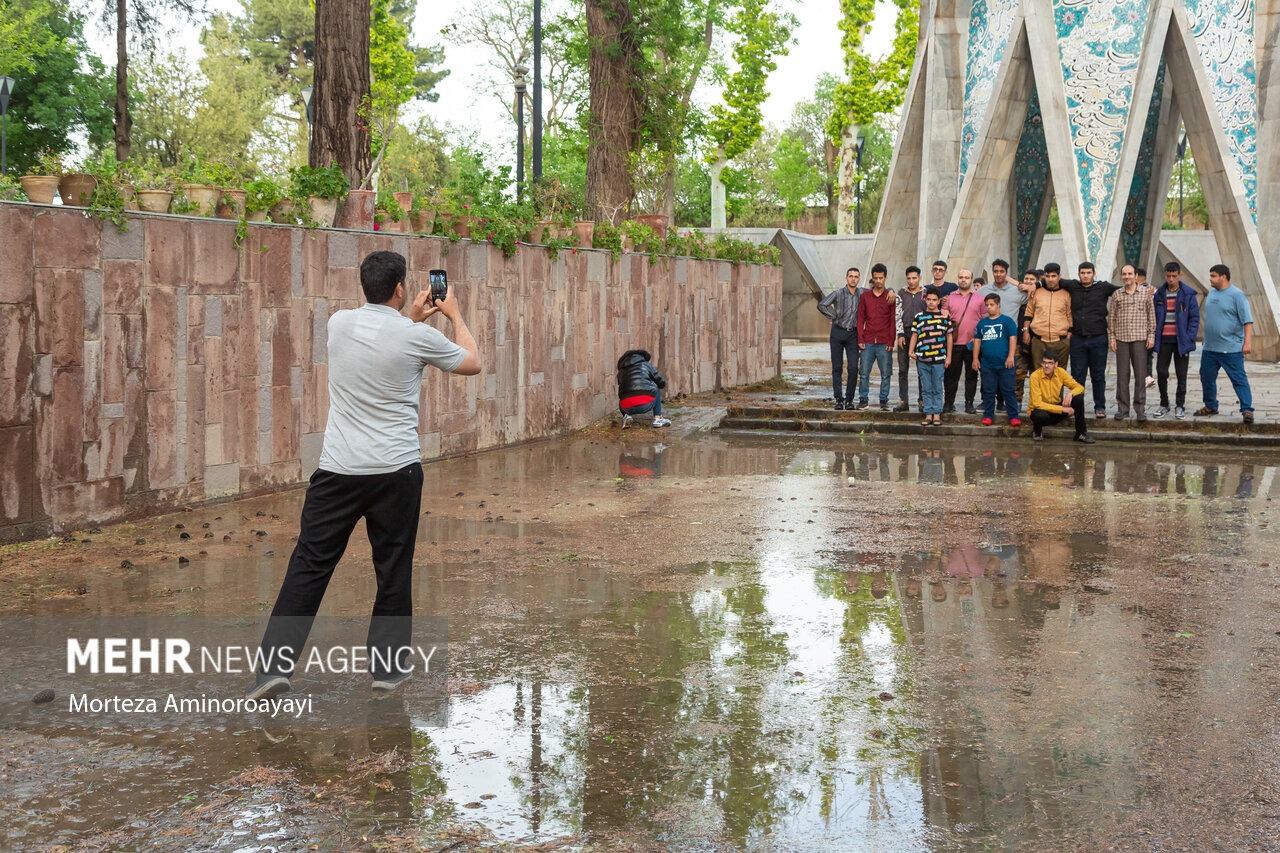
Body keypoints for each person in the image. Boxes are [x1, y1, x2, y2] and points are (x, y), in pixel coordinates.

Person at [247, 250, 482, 700]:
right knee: (392, 569)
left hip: (338, 470)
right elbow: (471, 361)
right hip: (396, 472)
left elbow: (386, 337)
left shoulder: (339, 325)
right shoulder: (417, 339)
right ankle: (387, 672)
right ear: (398, 287)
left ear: (366, 286)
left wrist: (411, 315)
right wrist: (453, 315)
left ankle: (272, 671)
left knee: (309, 565)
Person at [818, 268, 893, 409]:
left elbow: (879, 287)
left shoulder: (862, 293)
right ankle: (839, 399)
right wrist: (833, 316)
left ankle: (850, 400)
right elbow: (822, 304)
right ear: (846, 278)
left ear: (859, 279)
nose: (853, 279)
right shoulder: (838, 293)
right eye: (851, 276)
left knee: (853, 368)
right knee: (837, 367)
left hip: (853, 334)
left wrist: (891, 290)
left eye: (856, 277)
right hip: (837, 333)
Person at [1059, 261, 1119, 419]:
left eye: (1088, 273)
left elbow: (1123, 290)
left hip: (1098, 338)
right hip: (1078, 339)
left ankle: (1100, 407)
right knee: (1078, 375)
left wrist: (1146, 288)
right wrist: (1032, 284)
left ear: (1094, 273)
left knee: (1098, 375)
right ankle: (1077, 406)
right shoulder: (1072, 286)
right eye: (1083, 273)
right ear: (1078, 274)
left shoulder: (1103, 287)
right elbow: (1051, 281)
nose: (1085, 276)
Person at [1197, 263, 1255, 423]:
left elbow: (1247, 321)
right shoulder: (1212, 294)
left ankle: (1247, 410)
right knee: (1206, 377)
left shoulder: (1237, 295)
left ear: (1223, 277)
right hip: (1210, 348)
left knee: (1238, 379)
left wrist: (1247, 342)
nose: (1210, 279)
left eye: (1213, 276)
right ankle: (1210, 406)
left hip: (1231, 349)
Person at [1152, 261, 1200, 419]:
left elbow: (1194, 319)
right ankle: (1164, 403)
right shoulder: (1159, 294)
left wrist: (1189, 337)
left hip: (1181, 341)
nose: (1171, 279)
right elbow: (1152, 316)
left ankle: (1180, 405)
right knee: (1161, 372)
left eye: (1174, 276)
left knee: (1181, 374)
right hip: (1164, 340)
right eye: (1168, 276)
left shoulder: (1188, 294)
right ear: (1165, 275)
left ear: (1180, 275)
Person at [1108, 264, 1156, 421]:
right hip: (1121, 339)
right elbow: (1112, 318)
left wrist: (1151, 336)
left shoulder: (1145, 293)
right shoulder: (1117, 295)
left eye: (1130, 274)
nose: (1127, 276)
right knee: (1122, 375)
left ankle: (1140, 409)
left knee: (1141, 375)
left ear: (1136, 276)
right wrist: (1112, 338)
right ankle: (1123, 409)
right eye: (1124, 274)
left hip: (1140, 339)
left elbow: (1151, 316)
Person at [973, 293, 1021, 426]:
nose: (989, 307)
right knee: (988, 391)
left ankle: (1013, 416)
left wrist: (1011, 356)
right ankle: (988, 415)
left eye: (992, 305)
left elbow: (1013, 339)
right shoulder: (982, 323)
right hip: (988, 364)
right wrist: (975, 359)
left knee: (1009, 390)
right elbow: (977, 341)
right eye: (987, 305)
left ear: (998, 305)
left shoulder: (1007, 321)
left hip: (1006, 363)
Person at [943, 269, 985, 413]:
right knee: (951, 376)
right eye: (961, 277)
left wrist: (979, 336)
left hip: (972, 343)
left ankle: (969, 403)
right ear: (958, 279)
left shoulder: (979, 298)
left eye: (966, 277)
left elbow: (984, 319)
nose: (963, 280)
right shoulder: (949, 298)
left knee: (971, 375)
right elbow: (944, 318)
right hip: (953, 343)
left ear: (971, 280)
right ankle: (948, 403)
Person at [856, 263, 897, 410]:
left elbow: (893, 320)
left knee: (886, 373)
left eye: (881, 278)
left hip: (884, 341)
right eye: (875, 278)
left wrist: (891, 340)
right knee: (864, 372)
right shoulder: (865, 296)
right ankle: (863, 399)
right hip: (867, 341)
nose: (878, 281)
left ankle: (883, 401)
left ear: (885, 278)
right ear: (872, 279)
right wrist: (860, 338)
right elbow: (860, 319)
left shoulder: (890, 297)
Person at [909, 289, 952, 426]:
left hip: (939, 360)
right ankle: (928, 413)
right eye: (929, 299)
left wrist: (949, 357)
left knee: (937, 387)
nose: (931, 302)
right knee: (926, 387)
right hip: (922, 359)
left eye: (934, 300)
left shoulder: (944, 317)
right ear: (925, 300)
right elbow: (915, 335)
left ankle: (937, 414)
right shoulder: (919, 317)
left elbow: (949, 337)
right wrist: (911, 351)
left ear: (939, 301)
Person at [1028, 352, 1093, 442]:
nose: (1046, 365)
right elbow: (1037, 403)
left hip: (1055, 409)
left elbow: (1080, 387)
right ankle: (1037, 431)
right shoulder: (1035, 376)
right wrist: (1062, 409)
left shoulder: (1060, 372)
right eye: (1044, 362)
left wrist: (1071, 393)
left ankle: (1081, 433)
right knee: (1041, 415)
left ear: (1056, 364)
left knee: (1078, 398)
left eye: (1050, 363)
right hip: (1040, 410)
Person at [1023, 263, 1072, 376]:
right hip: (1039, 341)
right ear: (1044, 277)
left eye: (1053, 276)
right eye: (1048, 276)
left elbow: (1069, 315)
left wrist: (1069, 335)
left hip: (1060, 341)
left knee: (1059, 375)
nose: (1050, 279)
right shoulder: (1036, 292)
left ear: (1059, 276)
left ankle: (1057, 395)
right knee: (1038, 374)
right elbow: (1029, 313)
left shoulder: (1066, 293)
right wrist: (1025, 330)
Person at [894, 265, 928, 412]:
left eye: (914, 278)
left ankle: (922, 400)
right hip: (905, 333)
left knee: (922, 369)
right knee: (903, 369)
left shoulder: (925, 293)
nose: (911, 281)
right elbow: (897, 315)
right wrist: (900, 334)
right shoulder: (901, 293)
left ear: (919, 278)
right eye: (909, 278)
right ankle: (903, 400)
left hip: (921, 334)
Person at [617, 349, 669, 428]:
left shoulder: (621, 371)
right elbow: (660, 381)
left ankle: (627, 416)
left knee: (624, 392)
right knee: (656, 386)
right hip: (645, 405)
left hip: (626, 407)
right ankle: (658, 419)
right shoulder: (646, 364)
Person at [1013, 269, 1040, 405]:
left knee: (1037, 375)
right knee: (1018, 375)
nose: (1028, 281)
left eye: (1032, 279)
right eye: (1026, 279)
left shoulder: (1041, 296)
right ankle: (1017, 403)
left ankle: (1036, 403)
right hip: (1019, 342)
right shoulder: (1018, 296)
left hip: (1037, 343)